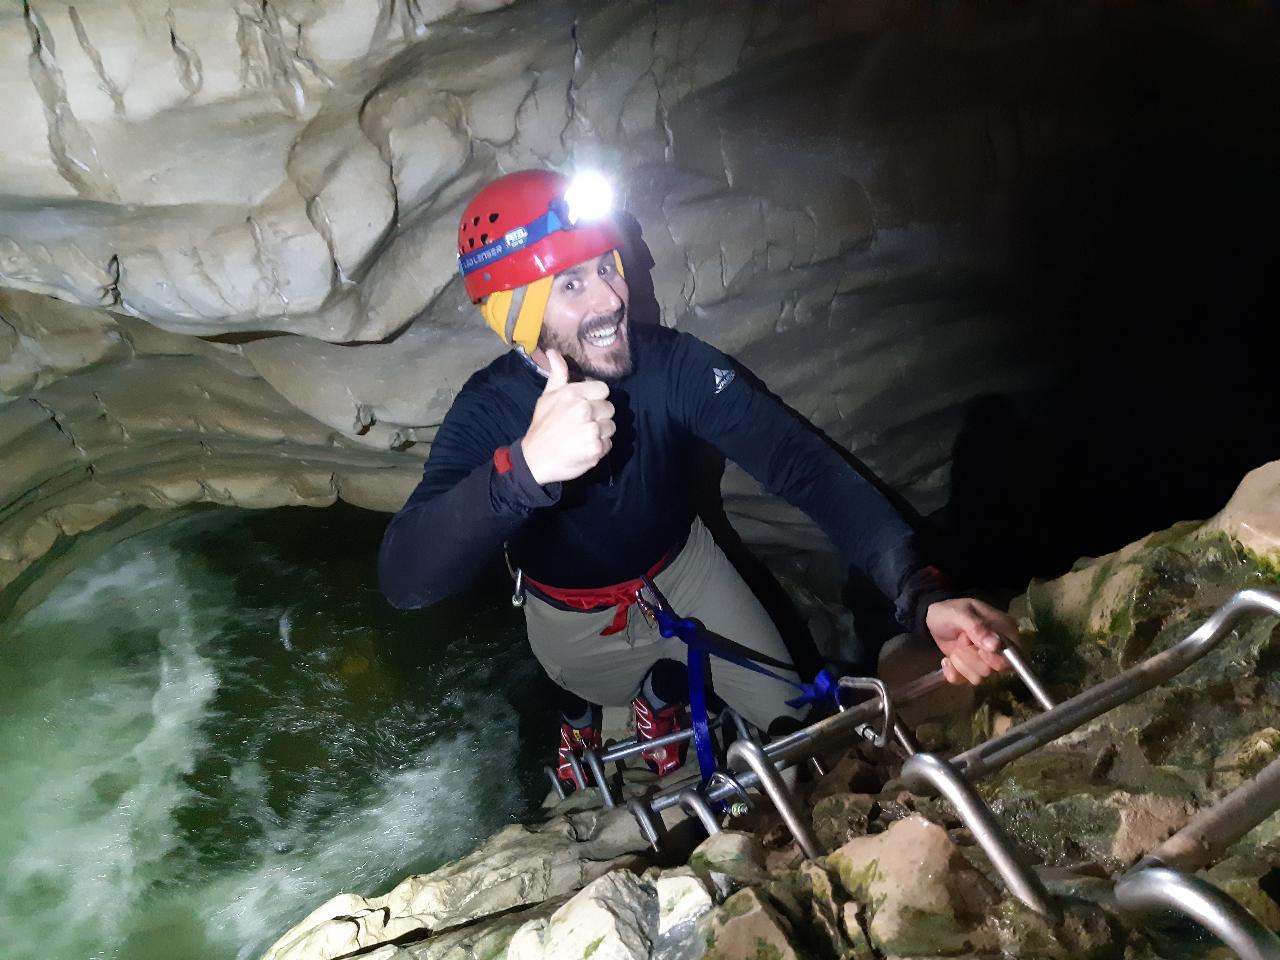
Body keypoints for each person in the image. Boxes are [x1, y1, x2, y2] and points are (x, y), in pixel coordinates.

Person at [379, 169, 1013, 791]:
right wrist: (524, 471)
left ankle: (667, 694)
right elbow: (407, 578)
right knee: (588, 691)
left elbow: (803, 465)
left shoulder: (672, 365)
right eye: (570, 284)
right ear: (515, 314)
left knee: (801, 724)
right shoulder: (489, 410)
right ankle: (583, 719)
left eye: (606, 266)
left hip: (688, 571)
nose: (609, 299)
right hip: (574, 616)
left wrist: (920, 593)